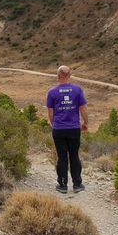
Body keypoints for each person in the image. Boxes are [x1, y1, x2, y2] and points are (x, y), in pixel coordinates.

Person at [46, 65, 88, 193]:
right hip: (74, 128)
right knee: (74, 155)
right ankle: (77, 184)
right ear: (69, 76)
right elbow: (83, 109)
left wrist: (55, 125)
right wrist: (85, 123)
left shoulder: (52, 92)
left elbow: (50, 113)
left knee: (62, 157)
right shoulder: (77, 90)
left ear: (58, 76)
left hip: (59, 129)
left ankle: (63, 185)